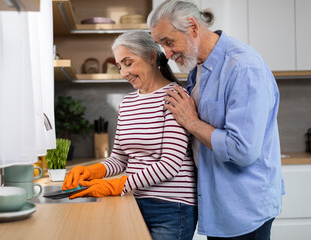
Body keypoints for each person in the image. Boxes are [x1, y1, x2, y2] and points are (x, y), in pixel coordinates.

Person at [147, 1, 284, 239]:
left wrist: (190, 122)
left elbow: (242, 150)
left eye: (169, 42)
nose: (167, 54)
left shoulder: (243, 67)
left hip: (244, 207)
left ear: (192, 27)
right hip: (218, 203)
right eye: (162, 45)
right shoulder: (198, 67)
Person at [62, 30, 198, 240]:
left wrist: (118, 185)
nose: (124, 72)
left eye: (128, 62)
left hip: (171, 207)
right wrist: (92, 171)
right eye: (119, 66)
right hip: (132, 200)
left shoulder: (175, 97)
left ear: (152, 57)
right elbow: (119, 159)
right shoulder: (127, 104)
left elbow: (170, 164)